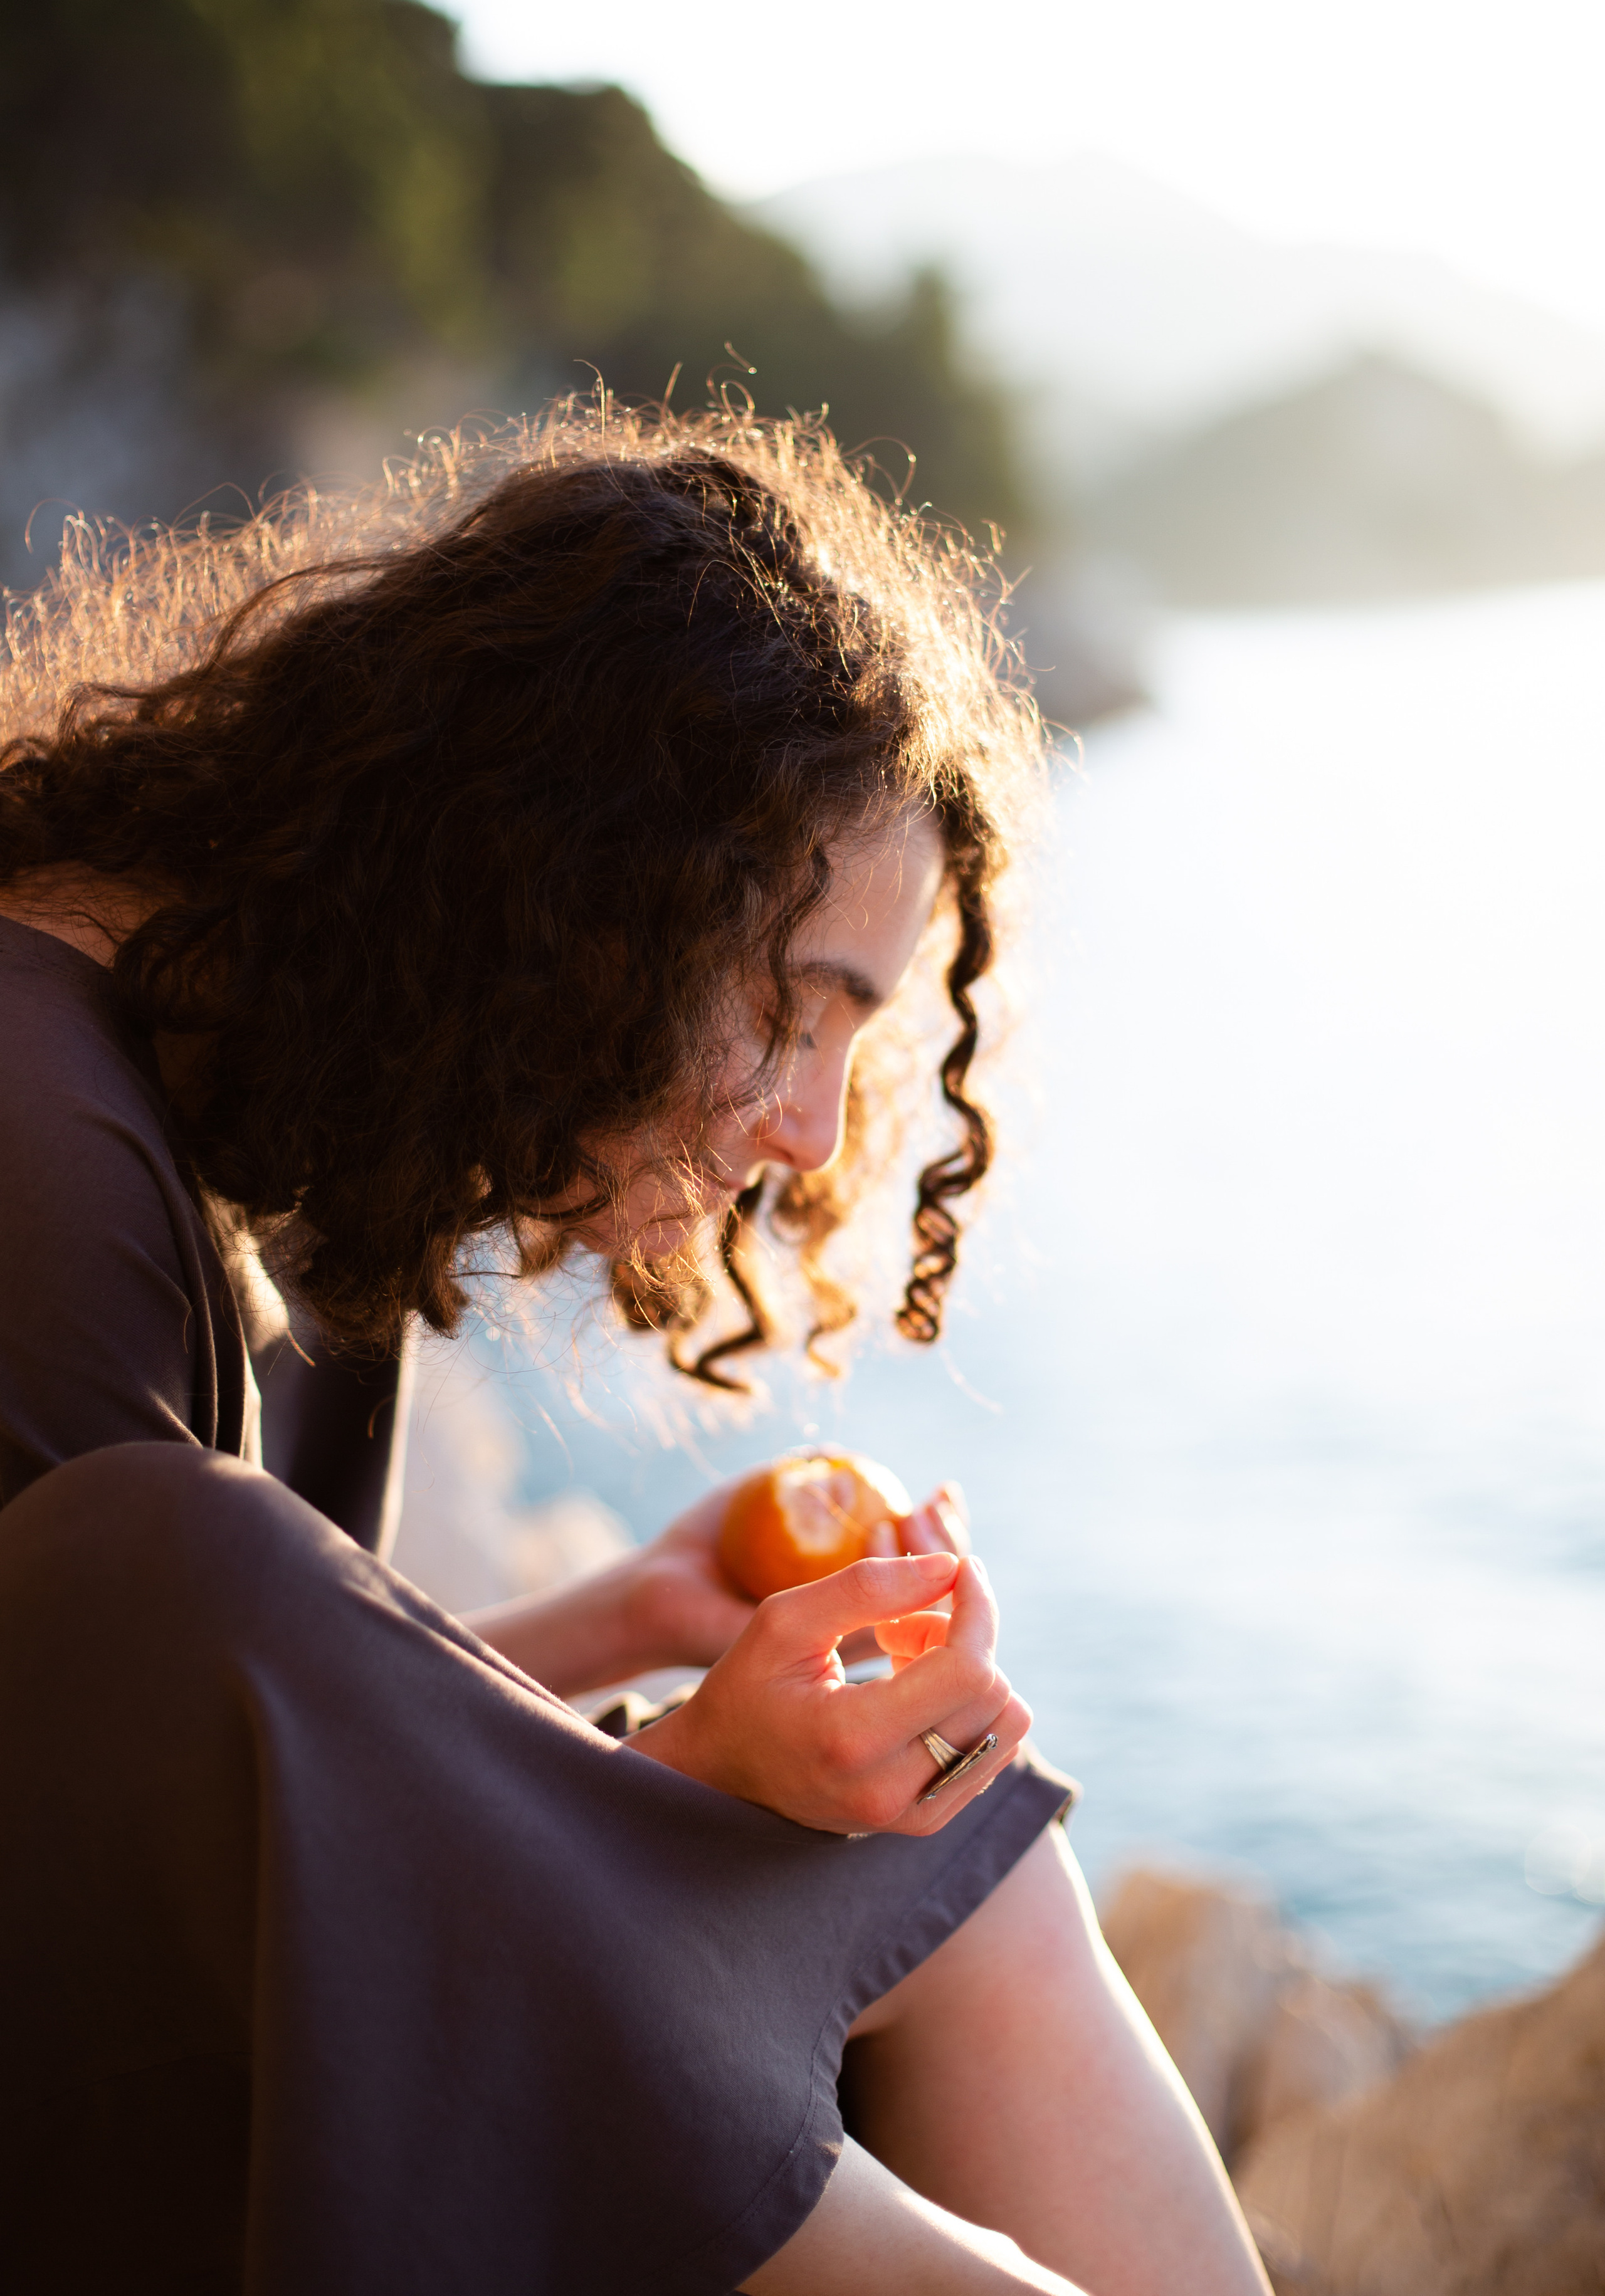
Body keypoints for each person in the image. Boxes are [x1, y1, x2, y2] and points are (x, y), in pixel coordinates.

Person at [0, 401, 1271, 2293]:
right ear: (586, 891)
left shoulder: (281, 1130)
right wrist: (682, 1767)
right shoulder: (38, 1158)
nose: (820, 1131)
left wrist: (618, 1628)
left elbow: (199, 1798)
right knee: (209, 1551)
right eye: (801, 1003)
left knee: (942, 1841)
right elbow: (113, 1972)